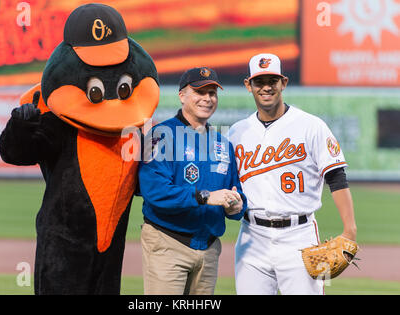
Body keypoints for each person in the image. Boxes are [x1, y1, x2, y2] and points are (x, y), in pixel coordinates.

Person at [229, 53, 357, 295]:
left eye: (272, 80)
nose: (266, 87)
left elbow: (337, 177)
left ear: (283, 83)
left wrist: (350, 230)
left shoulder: (311, 126)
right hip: (251, 237)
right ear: (249, 85)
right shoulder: (237, 132)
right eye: (259, 81)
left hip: (298, 236)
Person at [138, 67, 247, 295]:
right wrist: (205, 197)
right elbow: (155, 191)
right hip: (169, 243)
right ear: (182, 96)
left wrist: (237, 205)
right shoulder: (161, 135)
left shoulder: (222, 144)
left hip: (208, 250)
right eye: (199, 92)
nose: (207, 99)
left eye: (212, 93)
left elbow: (236, 193)